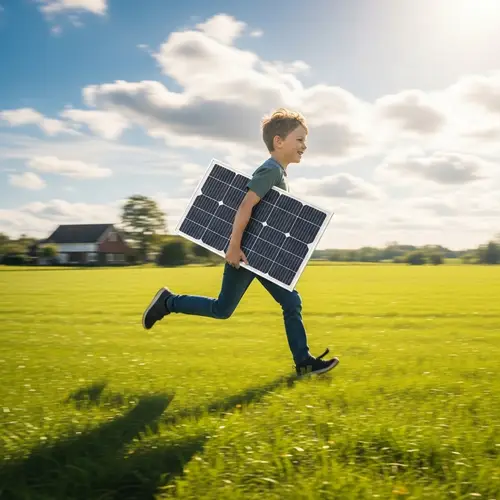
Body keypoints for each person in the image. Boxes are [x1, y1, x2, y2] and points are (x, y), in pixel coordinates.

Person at [142, 108, 339, 376]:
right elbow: (245, 205)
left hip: (258, 255)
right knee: (223, 309)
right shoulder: (270, 170)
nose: (305, 146)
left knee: (290, 302)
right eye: (300, 140)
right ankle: (168, 302)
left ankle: (303, 362)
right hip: (244, 254)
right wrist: (234, 247)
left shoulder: (279, 173)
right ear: (279, 141)